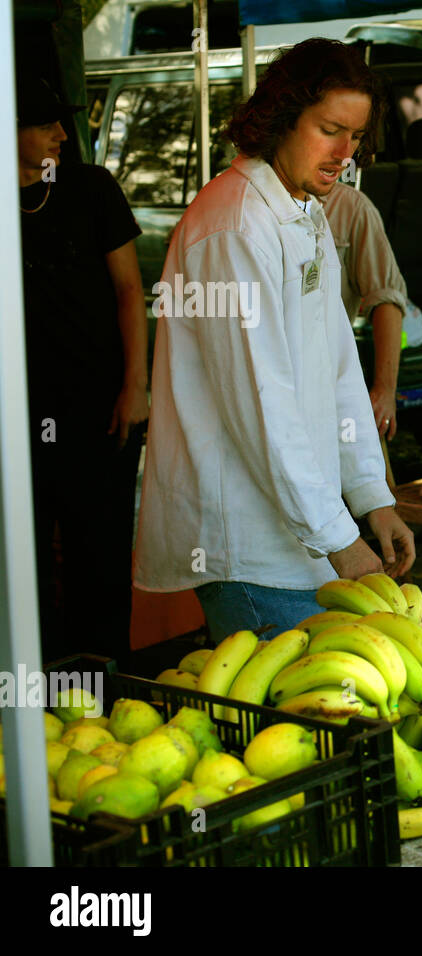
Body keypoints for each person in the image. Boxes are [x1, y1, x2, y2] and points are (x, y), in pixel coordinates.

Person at [134, 39, 416, 641]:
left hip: (304, 530)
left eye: (357, 137)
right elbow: (262, 404)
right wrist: (341, 536)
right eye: (330, 130)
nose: (345, 153)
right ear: (282, 118)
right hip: (247, 543)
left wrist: (371, 496)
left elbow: (340, 369)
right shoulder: (233, 227)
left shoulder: (303, 210)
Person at [17, 74, 149, 665]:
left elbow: (129, 291)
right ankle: (36, 703)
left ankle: (107, 691)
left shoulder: (90, 189)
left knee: (100, 560)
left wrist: (135, 386)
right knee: (24, 567)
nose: (61, 135)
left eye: (60, 122)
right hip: (20, 418)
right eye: (45, 124)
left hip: (101, 411)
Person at [320, 182, 409, 440]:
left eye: (354, 139)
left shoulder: (352, 207)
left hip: (331, 385)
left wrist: (384, 391)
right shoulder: (249, 203)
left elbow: (386, 297)